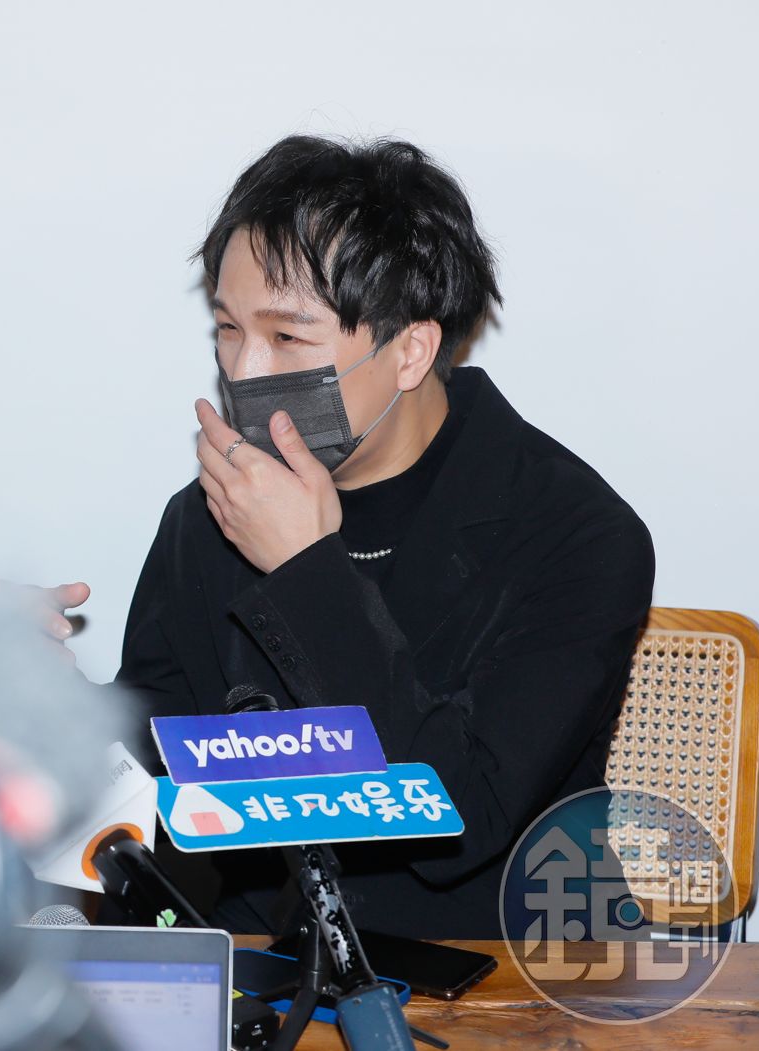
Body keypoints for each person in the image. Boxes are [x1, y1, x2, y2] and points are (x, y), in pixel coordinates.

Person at [114, 136, 654, 938]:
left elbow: (456, 815)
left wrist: (305, 572)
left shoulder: (576, 534)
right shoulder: (213, 513)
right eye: (227, 329)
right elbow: (154, 762)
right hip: (277, 958)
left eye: (287, 337)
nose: (244, 372)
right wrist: (26, 683)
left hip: (509, 964)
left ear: (410, 351)